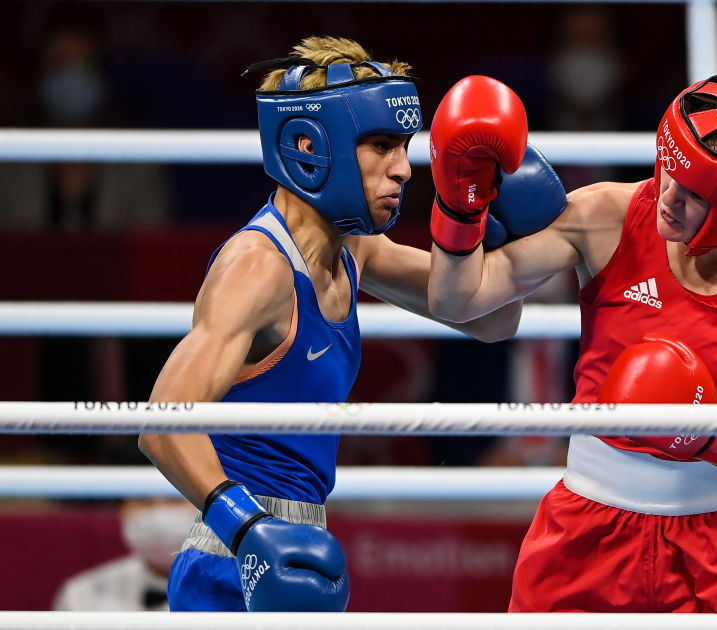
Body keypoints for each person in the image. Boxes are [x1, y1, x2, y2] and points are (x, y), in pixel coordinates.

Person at [138, 36, 530, 613]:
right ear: (309, 144)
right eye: (381, 146)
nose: (404, 169)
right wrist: (247, 529)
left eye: (404, 147)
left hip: (302, 543)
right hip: (233, 555)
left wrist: (468, 213)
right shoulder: (258, 268)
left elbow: (492, 316)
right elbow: (161, 424)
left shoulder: (355, 249)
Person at [427, 73, 717, 612]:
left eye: (693, 195)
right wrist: (460, 208)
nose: (667, 198)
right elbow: (459, 301)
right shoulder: (606, 217)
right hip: (588, 531)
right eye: (668, 170)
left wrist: (706, 432)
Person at [53, 498, 195, 611]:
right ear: (123, 508)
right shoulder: (82, 593)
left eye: (174, 499)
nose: (159, 516)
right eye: (144, 500)